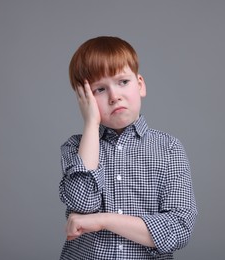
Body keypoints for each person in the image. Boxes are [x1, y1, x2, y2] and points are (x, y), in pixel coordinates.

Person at [59, 36, 197, 259]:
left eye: (123, 82)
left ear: (140, 85)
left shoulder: (169, 148)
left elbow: (179, 229)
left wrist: (103, 220)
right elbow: (82, 203)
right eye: (100, 89)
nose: (115, 97)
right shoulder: (75, 147)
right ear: (83, 99)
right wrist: (91, 124)